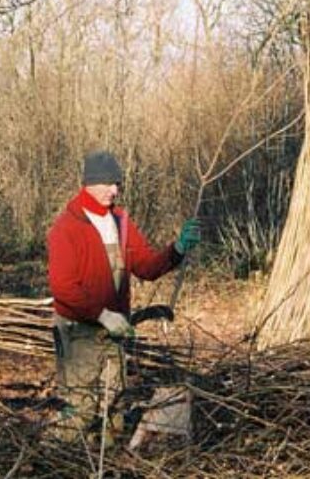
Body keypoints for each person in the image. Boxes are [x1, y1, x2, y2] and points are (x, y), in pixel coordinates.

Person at [46, 149, 200, 444]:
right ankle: (49, 461)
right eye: (108, 184)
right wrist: (102, 315)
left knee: (112, 412)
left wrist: (177, 249)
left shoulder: (120, 221)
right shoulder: (66, 227)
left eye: (117, 184)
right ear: (89, 184)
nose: (114, 191)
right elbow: (63, 287)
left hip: (114, 331)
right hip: (80, 332)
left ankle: (103, 467)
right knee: (80, 411)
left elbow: (145, 266)